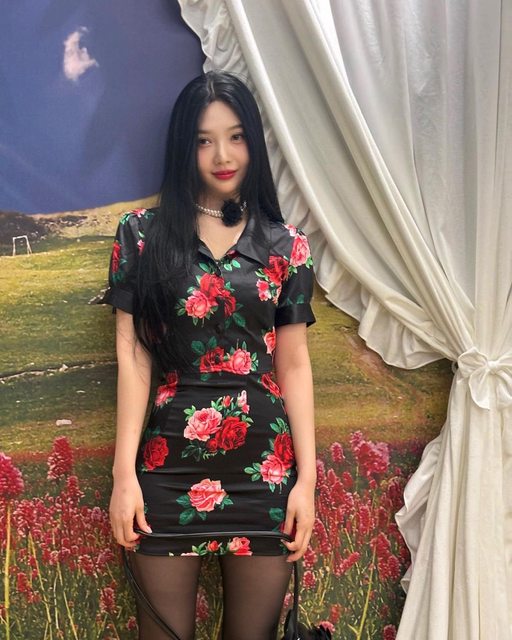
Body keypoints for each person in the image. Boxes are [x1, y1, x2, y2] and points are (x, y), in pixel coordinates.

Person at [103, 71, 317, 640]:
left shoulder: (287, 245)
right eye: (204, 140)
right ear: (184, 146)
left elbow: (294, 364)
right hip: (165, 469)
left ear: (253, 142)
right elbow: (134, 358)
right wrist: (124, 478)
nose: (222, 155)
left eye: (236, 136)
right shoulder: (141, 236)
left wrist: (307, 481)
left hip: (266, 472)